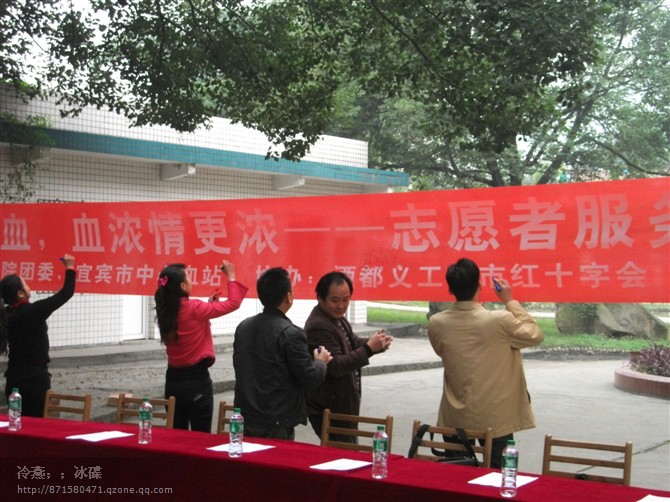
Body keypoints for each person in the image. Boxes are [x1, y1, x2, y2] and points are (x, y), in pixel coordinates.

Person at [428, 257, 543, 468]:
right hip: (497, 417)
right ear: (479, 285)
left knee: (456, 477)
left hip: (455, 414)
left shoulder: (437, 323)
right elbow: (535, 334)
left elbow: (442, 351)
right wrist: (510, 301)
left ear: (450, 289)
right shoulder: (500, 320)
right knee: (499, 476)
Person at [233, 267, 332, 440]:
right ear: (288, 297)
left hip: (245, 418)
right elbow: (309, 377)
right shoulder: (291, 333)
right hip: (276, 423)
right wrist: (320, 362)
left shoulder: (243, 327)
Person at [154, 260, 247, 432]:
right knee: (201, 437)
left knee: (177, 436)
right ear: (182, 286)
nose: (192, 281)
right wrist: (231, 275)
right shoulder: (195, 308)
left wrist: (209, 305)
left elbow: (189, 320)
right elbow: (234, 302)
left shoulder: (164, 310)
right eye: (188, 278)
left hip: (172, 382)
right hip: (196, 382)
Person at [305, 271, 393, 442]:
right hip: (330, 410)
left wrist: (376, 343)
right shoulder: (318, 326)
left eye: (346, 300)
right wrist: (369, 349)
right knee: (343, 452)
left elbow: (351, 342)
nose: (341, 305)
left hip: (344, 405)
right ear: (320, 298)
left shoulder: (336, 318)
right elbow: (336, 366)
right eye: (335, 300)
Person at [1, 254, 77, 417]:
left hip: (13, 380)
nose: (29, 286)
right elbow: (66, 293)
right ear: (20, 294)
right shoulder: (33, 311)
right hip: (34, 381)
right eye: (26, 284)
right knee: (35, 423)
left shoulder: (6, 315)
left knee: (16, 422)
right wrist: (70, 267)